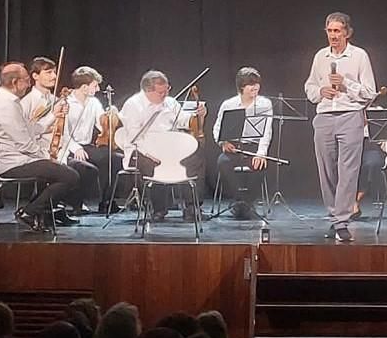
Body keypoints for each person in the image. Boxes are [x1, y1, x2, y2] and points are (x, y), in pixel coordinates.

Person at [303, 11, 377, 242]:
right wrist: (320, 92)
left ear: (347, 33)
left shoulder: (359, 56)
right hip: (324, 116)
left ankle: (342, 221)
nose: (333, 35)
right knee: (326, 170)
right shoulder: (320, 57)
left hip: (350, 116)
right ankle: (335, 217)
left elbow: (369, 93)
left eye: (337, 31)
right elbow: (309, 86)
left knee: (348, 171)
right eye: (330, 31)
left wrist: (346, 84)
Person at [0, 62, 80, 230]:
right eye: (26, 80)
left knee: (58, 172)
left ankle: (39, 214)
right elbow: (25, 143)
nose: (29, 85)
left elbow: (30, 128)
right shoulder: (4, 105)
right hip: (14, 163)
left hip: (22, 159)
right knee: (70, 176)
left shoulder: (9, 101)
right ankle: (30, 212)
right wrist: (46, 157)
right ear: (15, 83)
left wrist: (53, 116)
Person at [119, 70, 207, 222]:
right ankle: (159, 209)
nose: (165, 95)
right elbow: (134, 137)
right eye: (161, 92)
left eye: (167, 90)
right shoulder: (133, 105)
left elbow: (184, 121)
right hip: (142, 150)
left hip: (170, 148)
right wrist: (151, 152)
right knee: (154, 164)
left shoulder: (171, 102)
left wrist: (198, 115)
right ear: (147, 91)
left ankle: (192, 208)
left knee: (195, 158)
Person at [212, 67, 273, 219]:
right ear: (241, 87)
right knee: (222, 162)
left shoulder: (265, 104)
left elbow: (267, 132)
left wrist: (261, 153)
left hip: (253, 147)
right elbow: (217, 128)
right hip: (234, 148)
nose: (255, 87)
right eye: (250, 84)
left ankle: (245, 203)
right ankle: (241, 201)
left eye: (257, 83)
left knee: (260, 165)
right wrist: (222, 143)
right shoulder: (228, 104)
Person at [60, 66, 122, 214]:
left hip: (87, 146)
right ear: (84, 87)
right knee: (85, 167)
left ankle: (107, 201)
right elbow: (63, 133)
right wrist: (76, 149)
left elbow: (102, 125)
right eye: (95, 85)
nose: (98, 88)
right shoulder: (65, 103)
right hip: (68, 147)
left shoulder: (93, 102)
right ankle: (76, 203)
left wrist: (110, 116)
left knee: (115, 158)